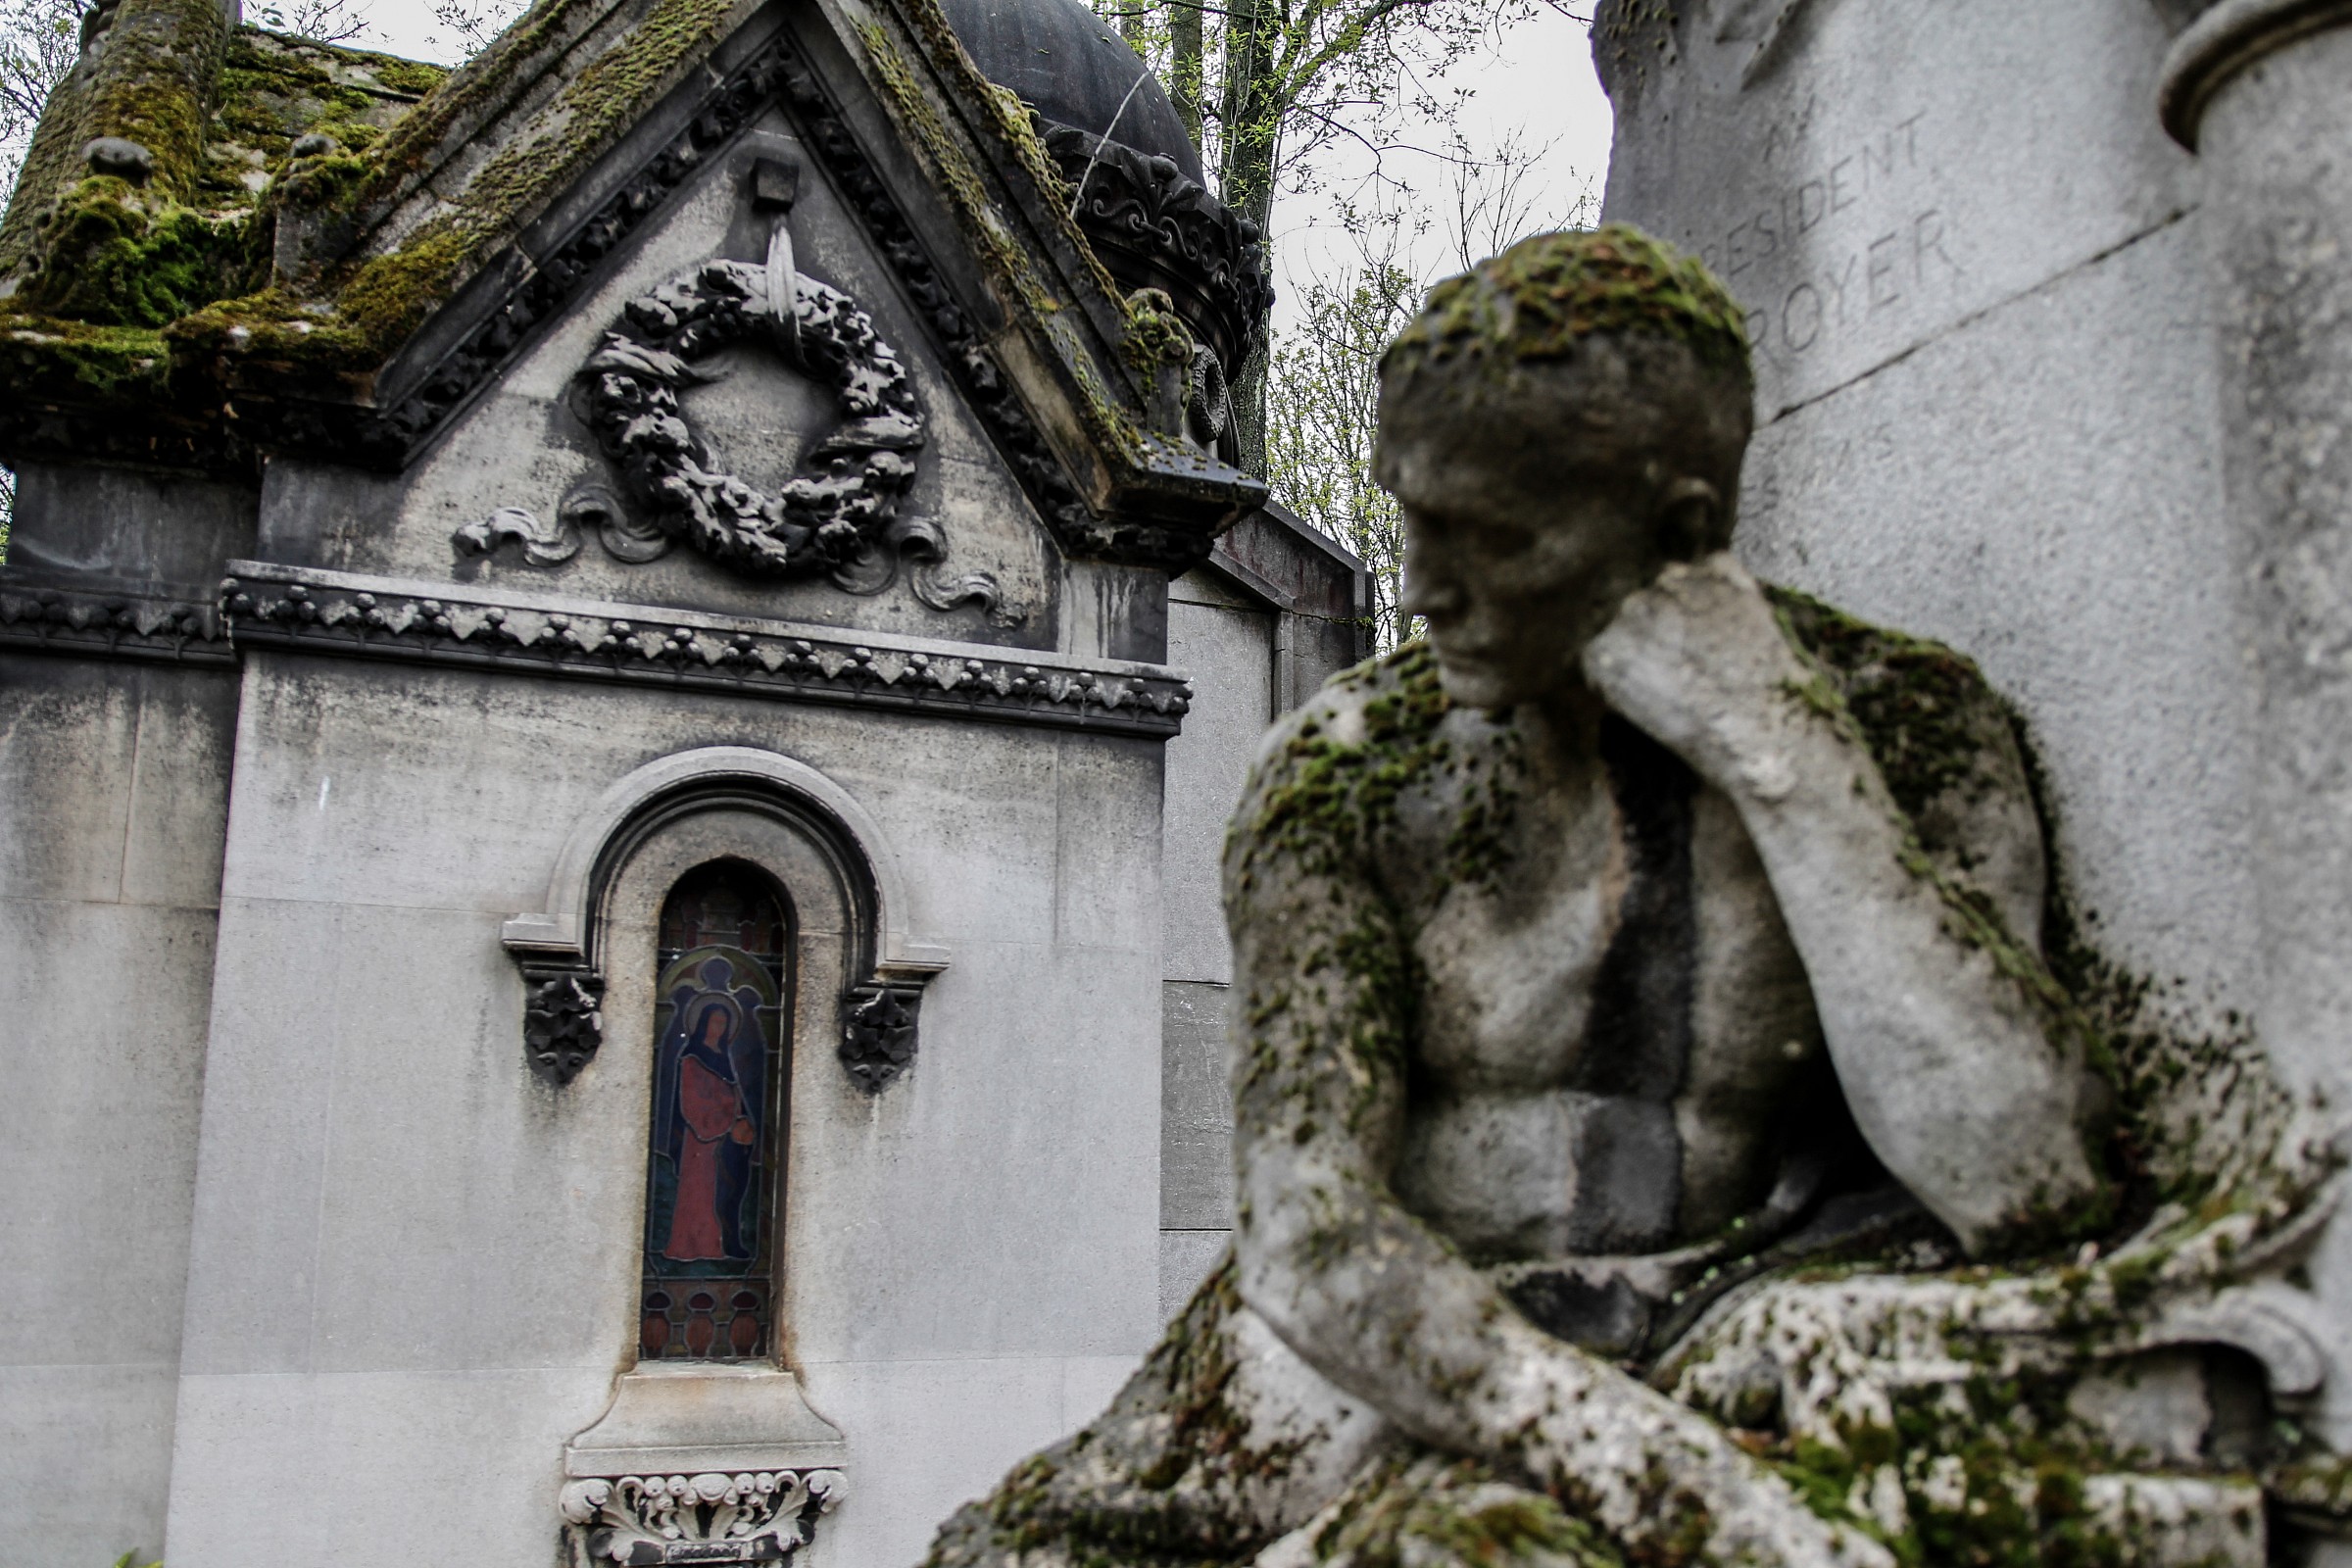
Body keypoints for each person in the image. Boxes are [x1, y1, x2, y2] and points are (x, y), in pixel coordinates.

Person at [921, 226, 2112, 1568]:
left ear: (1680, 535)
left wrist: (1787, 764)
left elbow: (2033, 1183)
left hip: (1755, 1323)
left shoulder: (1905, 730)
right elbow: (1310, 1234)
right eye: (1412, 517)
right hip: (1379, 1355)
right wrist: (1639, 1465)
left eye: (1487, 538)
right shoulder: (1350, 774)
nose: (1423, 591)